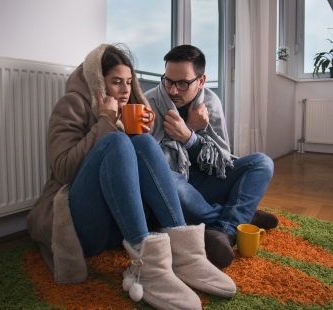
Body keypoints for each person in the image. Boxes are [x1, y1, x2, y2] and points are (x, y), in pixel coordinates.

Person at [27, 43, 236, 310]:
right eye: (116, 82)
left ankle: (186, 256)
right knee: (116, 143)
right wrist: (105, 122)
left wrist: (140, 131)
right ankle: (147, 270)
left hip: (116, 227)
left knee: (145, 144)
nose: (126, 90)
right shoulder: (73, 104)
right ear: (98, 83)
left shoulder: (130, 106)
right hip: (80, 225)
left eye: (129, 82)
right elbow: (63, 169)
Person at [144, 44, 278, 269]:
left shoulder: (211, 103)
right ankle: (237, 218)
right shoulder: (150, 102)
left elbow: (221, 162)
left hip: (207, 182)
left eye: (183, 83)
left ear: (201, 81)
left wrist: (189, 137)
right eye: (168, 81)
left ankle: (226, 228)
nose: (173, 90)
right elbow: (151, 164)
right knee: (169, 180)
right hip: (175, 184)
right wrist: (189, 128)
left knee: (262, 163)